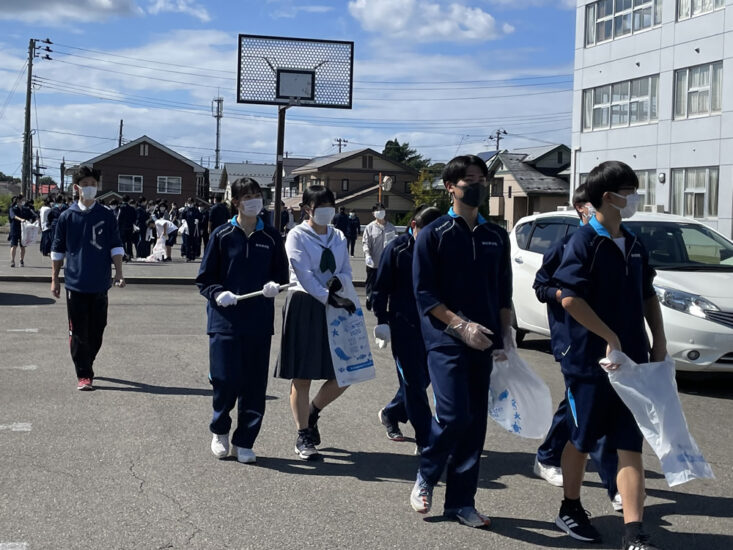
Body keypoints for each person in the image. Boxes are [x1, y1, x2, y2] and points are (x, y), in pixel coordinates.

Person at [552, 161, 665, 549]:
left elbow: (648, 294)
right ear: (607, 197)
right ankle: (570, 506)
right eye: (628, 192)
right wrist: (609, 335)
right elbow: (568, 297)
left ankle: (634, 532)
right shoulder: (584, 241)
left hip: (631, 362)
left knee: (630, 442)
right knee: (581, 439)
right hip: (588, 361)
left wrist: (658, 341)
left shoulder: (633, 242)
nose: (633, 198)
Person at [409, 154, 512, 529]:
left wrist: (505, 337)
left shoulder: (495, 236)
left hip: (484, 341)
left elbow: (503, 291)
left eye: (482, 179)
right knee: (453, 415)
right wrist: (459, 326)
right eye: (470, 179)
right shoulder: (435, 234)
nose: (478, 185)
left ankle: (461, 502)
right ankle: (427, 474)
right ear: (450, 187)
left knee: (474, 422)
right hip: (445, 338)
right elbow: (424, 294)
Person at [532, 184, 620, 510]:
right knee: (589, 409)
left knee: (578, 406)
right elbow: (541, 285)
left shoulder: (616, 242)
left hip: (606, 341)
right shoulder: (568, 244)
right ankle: (615, 486)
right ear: (581, 208)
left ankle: (546, 454)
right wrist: (564, 297)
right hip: (574, 342)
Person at [196, 178, 289, 463]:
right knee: (225, 379)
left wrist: (276, 286)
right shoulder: (222, 235)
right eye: (247, 196)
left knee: (254, 384)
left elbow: (282, 278)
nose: (253, 201)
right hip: (224, 320)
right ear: (235, 201)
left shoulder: (271, 237)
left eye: (257, 195)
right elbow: (204, 278)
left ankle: (245, 441)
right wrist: (218, 293)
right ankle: (220, 430)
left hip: (259, 321)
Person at [275, 185, 356, 461]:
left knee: (346, 371)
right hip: (305, 305)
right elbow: (304, 274)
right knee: (303, 374)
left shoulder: (339, 236)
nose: (326, 210)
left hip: (336, 303)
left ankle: (313, 411)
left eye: (329, 204)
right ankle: (303, 434)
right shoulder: (296, 236)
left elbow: (345, 268)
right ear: (306, 208)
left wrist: (341, 288)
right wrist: (327, 297)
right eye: (319, 205)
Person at [372, 205, 442, 452]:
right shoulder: (398, 248)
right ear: (414, 226)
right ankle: (425, 438)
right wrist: (381, 320)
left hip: (434, 327)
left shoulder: (441, 249)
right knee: (412, 381)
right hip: (404, 325)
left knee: (424, 379)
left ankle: (391, 412)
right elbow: (380, 288)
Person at [50, 166, 125, 391]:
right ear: (76, 188)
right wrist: (55, 279)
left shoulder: (106, 215)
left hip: (100, 282)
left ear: (98, 186)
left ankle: (87, 361)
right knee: (79, 331)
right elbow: (57, 251)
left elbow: (116, 246)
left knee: (97, 328)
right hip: (75, 283)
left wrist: (119, 273)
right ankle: (84, 374)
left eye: (92, 184)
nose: (89, 188)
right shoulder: (67, 216)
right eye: (84, 185)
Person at [362, 202, 396, 310]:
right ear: (373, 213)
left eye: (382, 209)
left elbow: (395, 244)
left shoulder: (391, 227)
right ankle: (369, 297)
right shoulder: (370, 227)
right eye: (378, 210)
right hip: (373, 262)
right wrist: (367, 255)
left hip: (386, 263)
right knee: (371, 283)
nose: (380, 212)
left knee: (384, 285)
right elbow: (365, 243)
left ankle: (381, 303)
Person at [8, 195, 29, 267]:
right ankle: (12, 260)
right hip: (14, 229)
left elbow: (31, 214)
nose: (23, 201)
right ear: (18, 200)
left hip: (23, 229)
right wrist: (21, 219)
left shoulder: (25, 209)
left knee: (23, 245)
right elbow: (13, 216)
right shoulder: (12, 208)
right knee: (14, 245)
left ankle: (21, 260)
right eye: (22, 200)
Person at [181, 197, 202, 262]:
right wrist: (183, 221)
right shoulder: (185, 209)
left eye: (191, 202)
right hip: (186, 228)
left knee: (194, 243)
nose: (190, 204)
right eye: (189, 202)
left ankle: (193, 256)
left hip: (194, 229)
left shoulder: (196, 210)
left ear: (193, 203)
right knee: (187, 242)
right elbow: (181, 217)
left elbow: (200, 217)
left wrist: (198, 220)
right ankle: (188, 256)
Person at [117, 195, 137, 262]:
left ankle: (124, 255)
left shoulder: (120, 208)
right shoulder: (132, 208)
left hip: (122, 227)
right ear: (129, 200)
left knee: (122, 242)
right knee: (129, 242)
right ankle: (130, 255)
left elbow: (118, 218)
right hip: (130, 227)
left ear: (122, 200)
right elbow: (135, 218)